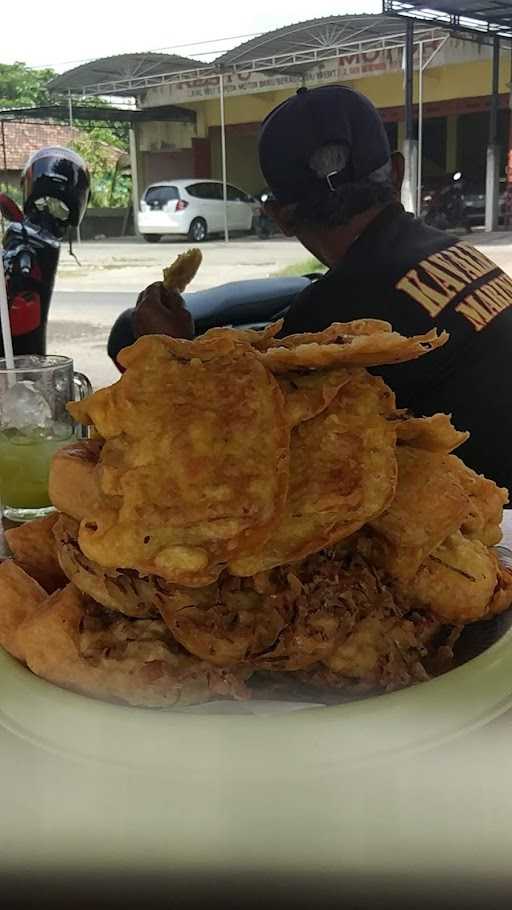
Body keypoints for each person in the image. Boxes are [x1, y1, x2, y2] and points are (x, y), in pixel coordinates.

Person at [125, 85, 512, 489]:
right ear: (397, 173)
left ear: (279, 217)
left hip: (492, 528)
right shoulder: (458, 252)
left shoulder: (329, 322)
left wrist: (169, 354)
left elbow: (233, 447)